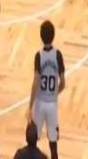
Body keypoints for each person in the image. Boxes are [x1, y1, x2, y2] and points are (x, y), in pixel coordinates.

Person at [27, 20, 65, 159]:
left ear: (41, 36)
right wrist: (54, 94)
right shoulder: (58, 55)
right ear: (53, 35)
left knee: (33, 140)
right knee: (53, 144)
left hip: (39, 102)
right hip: (52, 104)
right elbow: (63, 83)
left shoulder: (39, 56)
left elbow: (36, 81)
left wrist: (30, 105)